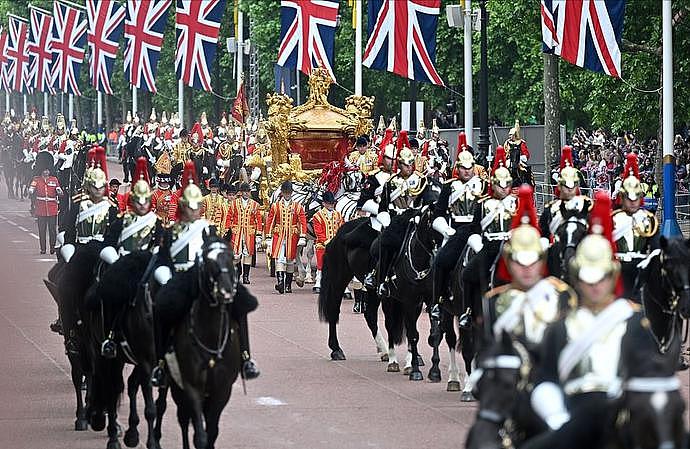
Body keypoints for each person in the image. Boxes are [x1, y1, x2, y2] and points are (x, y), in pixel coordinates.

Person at [521, 193, 661, 449]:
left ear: (612, 275)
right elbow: (546, 380)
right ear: (576, 277)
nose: (595, 286)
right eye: (588, 277)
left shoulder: (634, 323)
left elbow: (650, 377)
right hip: (572, 415)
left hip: (623, 417)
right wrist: (557, 417)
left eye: (601, 277)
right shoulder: (559, 327)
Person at [151, 161, 260, 386]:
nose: (192, 211)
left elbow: (218, 252)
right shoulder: (172, 232)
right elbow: (163, 259)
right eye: (189, 206)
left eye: (196, 206)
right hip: (181, 280)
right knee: (162, 309)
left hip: (206, 279)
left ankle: (246, 358)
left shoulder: (208, 229)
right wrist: (165, 276)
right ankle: (161, 364)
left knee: (239, 304)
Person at [459, 146, 516, 327]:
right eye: (500, 185)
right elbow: (475, 229)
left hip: (512, 246)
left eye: (507, 184)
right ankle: (468, 312)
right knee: (468, 274)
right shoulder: (484, 205)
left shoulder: (517, 203)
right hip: (491, 245)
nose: (504, 189)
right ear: (493, 185)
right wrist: (477, 243)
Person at [432, 144, 486, 302]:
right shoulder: (449, 187)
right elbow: (438, 214)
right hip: (456, 231)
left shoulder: (484, 185)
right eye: (463, 167)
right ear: (458, 168)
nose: (467, 171)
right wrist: (446, 230)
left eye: (470, 167)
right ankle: (438, 300)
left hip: (479, 231)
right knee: (441, 261)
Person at [612, 153, 659, 301]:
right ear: (622, 197)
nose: (633, 202)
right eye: (628, 198)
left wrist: (648, 264)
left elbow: (656, 248)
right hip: (617, 269)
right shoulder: (612, 218)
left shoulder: (649, 219)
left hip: (641, 269)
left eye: (636, 197)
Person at [539, 146, 591, 241]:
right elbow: (544, 234)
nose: (570, 190)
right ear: (559, 186)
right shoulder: (550, 209)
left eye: (573, 185)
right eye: (566, 186)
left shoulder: (587, 206)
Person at [265, 181, 307, 294]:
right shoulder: (276, 206)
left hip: (292, 236)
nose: (287, 194)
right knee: (279, 258)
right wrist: (268, 238)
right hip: (279, 235)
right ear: (282, 193)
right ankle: (280, 283)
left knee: (290, 260)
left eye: (289, 192)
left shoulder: (298, 206)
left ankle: (288, 285)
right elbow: (270, 221)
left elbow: (303, 222)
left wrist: (302, 236)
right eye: (285, 192)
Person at [226, 182, 262, 284]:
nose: (246, 193)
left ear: (249, 192)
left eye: (247, 191)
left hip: (249, 232)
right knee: (236, 254)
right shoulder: (234, 203)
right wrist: (228, 230)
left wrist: (259, 234)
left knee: (248, 254)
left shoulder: (255, 205)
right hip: (237, 231)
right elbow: (229, 217)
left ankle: (246, 276)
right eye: (244, 192)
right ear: (241, 192)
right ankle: (237, 273)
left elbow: (258, 220)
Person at [29, 154, 63, 254]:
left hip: (52, 208)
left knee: (52, 230)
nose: (46, 172)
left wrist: (59, 191)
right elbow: (32, 187)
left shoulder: (54, 179)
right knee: (42, 230)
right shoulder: (36, 179)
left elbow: (59, 191)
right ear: (41, 170)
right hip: (41, 208)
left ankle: (52, 247)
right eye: (44, 170)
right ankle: (43, 248)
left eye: (47, 170)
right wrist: (31, 190)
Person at [312, 191, 344, 295]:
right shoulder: (317, 216)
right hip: (323, 243)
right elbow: (318, 232)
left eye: (332, 203)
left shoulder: (338, 214)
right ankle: (318, 282)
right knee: (322, 263)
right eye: (329, 203)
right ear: (324, 204)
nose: (331, 205)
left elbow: (341, 228)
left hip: (336, 243)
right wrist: (328, 242)